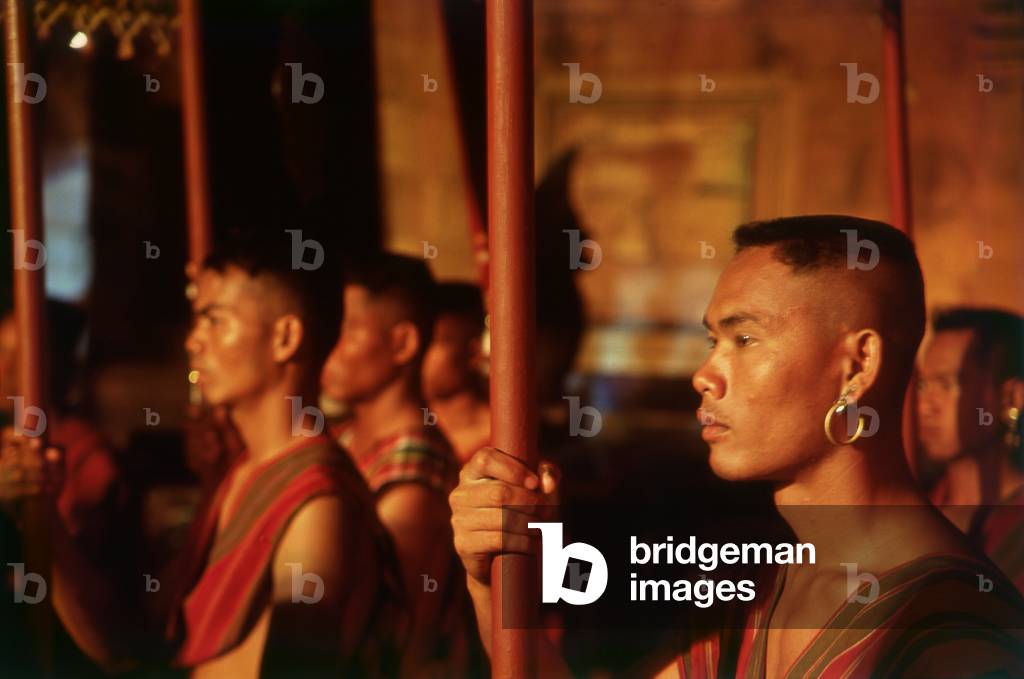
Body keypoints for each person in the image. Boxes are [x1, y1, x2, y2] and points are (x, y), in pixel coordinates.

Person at [449, 215, 1024, 678]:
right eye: (712, 340)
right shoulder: (763, 590)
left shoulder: (951, 632)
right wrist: (499, 584)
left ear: (858, 366)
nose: (704, 375)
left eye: (744, 339)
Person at [2, 232, 405, 677]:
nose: (194, 342)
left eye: (214, 320)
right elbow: (126, 638)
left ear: (285, 337)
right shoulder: (242, 473)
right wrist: (41, 514)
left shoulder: (318, 505)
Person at [321, 253, 481, 676]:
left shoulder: (413, 476)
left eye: (347, 329)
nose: (328, 345)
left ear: (403, 344)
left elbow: (395, 636)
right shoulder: (341, 437)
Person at [916, 308, 1024, 588]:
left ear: (1010, 397)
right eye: (924, 385)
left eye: (948, 383)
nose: (926, 405)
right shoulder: (915, 511)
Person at [421, 282, 490, 464]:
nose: (418, 353)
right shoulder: (411, 428)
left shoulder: (505, 437)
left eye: (432, 342)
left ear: (474, 353)